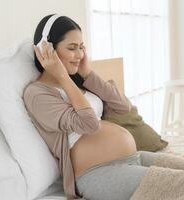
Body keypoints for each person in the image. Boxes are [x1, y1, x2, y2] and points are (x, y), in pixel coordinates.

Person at [23, 14, 159, 200]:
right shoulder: (37, 94)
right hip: (98, 174)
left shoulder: (78, 83)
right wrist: (62, 76)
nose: (79, 55)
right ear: (46, 50)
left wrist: (87, 73)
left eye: (81, 47)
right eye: (72, 48)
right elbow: (90, 125)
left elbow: (122, 107)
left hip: (131, 160)